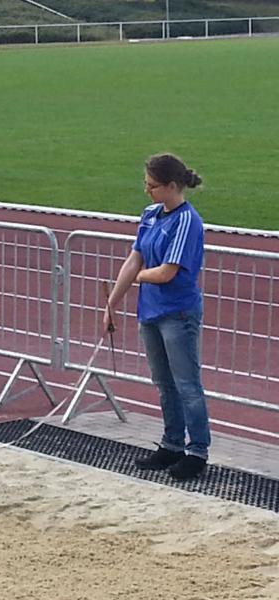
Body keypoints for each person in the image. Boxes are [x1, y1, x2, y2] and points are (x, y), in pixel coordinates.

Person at [104, 153, 209, 481]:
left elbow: (166, 272)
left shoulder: (187, 221)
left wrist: (137, 278)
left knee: (187, 384)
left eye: (153, 186)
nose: (147, 191)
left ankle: (197, 451)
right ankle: (172, 443)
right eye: (146, 184)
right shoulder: (150, 214)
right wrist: (111, 302)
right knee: (164, 382)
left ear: (172, 186)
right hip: (150, 311)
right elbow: (134, 259)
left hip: (177, 313)